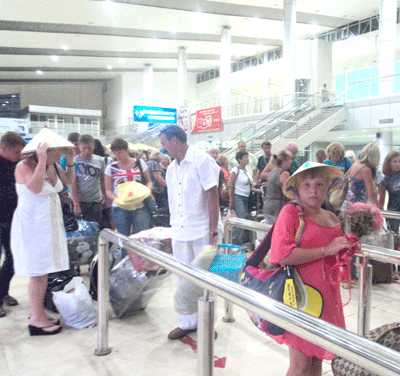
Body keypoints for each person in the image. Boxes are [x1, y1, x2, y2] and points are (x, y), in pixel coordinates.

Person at [269, 161, 350, 376]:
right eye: (306, 185)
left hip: (329, 298)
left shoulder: (331, 217)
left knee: (316, 362)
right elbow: (282, 254)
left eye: (319, 184)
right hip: (301, 297)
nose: (313, 190)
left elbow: (335, 253)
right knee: (300, 366)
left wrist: (345, 249)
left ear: (327, 187)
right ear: (296, 189)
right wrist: (325, 249)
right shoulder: (291, 213)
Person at [11, 129, 75, 335]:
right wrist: (42, 161)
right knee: (37, 272)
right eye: (56, 153)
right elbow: (35, 188)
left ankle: (38, 312)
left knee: (44, 271)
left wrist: (70, 161)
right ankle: (37, 318)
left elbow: (69, 182)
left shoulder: (53, 165)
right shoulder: (23, 166)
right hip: (33, 226)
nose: (59, 156)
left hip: (48, 224)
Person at [159, 125, 220, 340]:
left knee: (205, 281)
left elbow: (213, 195)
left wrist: (213, 233)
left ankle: (207, 324)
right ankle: (186, 323)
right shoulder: (171, 168)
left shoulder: (202, 161)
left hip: (202, 230)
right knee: (183, 279)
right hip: (180, 231)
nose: (163, 148)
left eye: (164, 143)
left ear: (175, 140)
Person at [105, 138, 153, 258]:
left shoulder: (139, 163)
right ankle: (125, 267)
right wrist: (116, 199)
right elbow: (108, 190)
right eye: (115, 153)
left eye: (120, 152)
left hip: (139, 206)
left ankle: (143, 265)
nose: (117, 156)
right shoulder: (110, 168)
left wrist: (147, 191)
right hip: (120, 207)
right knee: (124, 240)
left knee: (142, 238)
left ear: (126, 150)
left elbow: (149, 181)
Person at [341, 143, 380, 286]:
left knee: (348, 242)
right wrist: (377, 209)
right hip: (357, 209)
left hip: (346, 207)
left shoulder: (355, 164)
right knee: (355, 244)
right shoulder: (366, 170)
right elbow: (371, 194)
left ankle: (347, 276)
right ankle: (350, 278)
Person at [0, 132, 26, 318]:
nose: (19, 155)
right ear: (4, 148)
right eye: (16, 152)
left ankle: (3, 292)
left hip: (12, 218)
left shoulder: (18, 164)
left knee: (12, 257)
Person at [70, 134, 106, 224]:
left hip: (96, 201)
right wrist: (76, 204)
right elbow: (72, 184)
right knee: (79, 231)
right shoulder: (74, 161)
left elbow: (102, 181)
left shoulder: (100, 161)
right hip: (80, 201)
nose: (87, 151)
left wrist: (105, 197)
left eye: (89, 148)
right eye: (84, 148)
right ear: (79, 146)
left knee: (94, 229)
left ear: (94, 146)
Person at [228, 150, 253, 245]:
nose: (247, 159)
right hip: (238, 196)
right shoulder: (235, 170)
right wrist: (231, 200)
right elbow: (231, 184)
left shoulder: (247, 170)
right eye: (245, 157)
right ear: (239, 159)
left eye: (247, 157)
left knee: (243, 219)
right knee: (240, 220)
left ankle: (239, 241)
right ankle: (235, 242)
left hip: (246, 197)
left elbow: (248, 183)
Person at [262, 150, 292, 224]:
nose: (291, 162)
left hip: (267, 206)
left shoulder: (272, 172)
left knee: (268, 231)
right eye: (290, 160)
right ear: (285, 161)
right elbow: (289, 191)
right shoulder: (284, 173)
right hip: (278, 208)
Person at [378, 151, 400, 235]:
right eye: (394, 161)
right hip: (393, 211)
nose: (397, 164)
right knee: (393, 236)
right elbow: (381, 202)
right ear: (389, 163)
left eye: (399, 161)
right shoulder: (385, 180)